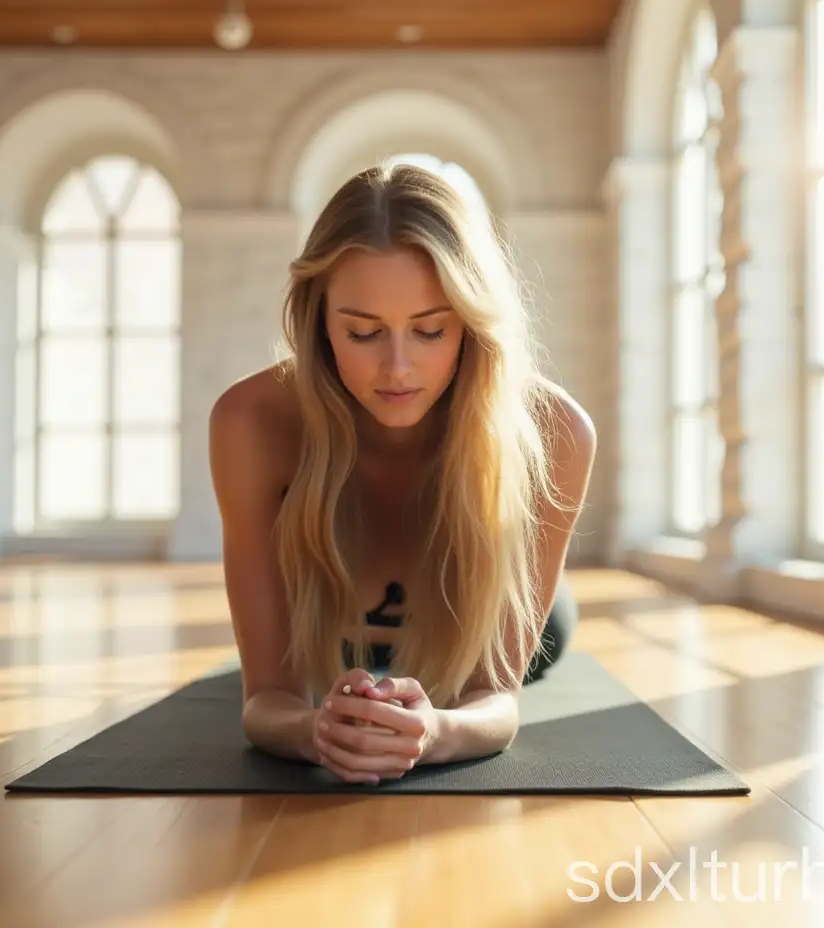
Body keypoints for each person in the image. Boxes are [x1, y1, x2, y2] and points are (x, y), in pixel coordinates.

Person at [209, 161, 596, 785]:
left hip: (497, 621)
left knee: (547, 633)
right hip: (331, 634)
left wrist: (439, 733)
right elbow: (266, 702)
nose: (397, 368)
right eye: (362, 332)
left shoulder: (558, 431)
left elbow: (494, 700)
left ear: (471, 324)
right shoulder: (249, 422)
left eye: (430, 330)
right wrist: (315, 731)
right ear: (317, 320)